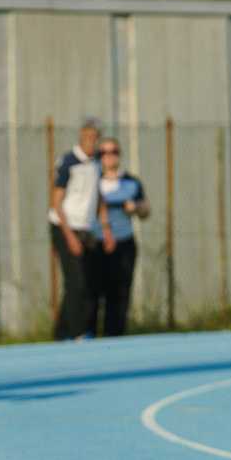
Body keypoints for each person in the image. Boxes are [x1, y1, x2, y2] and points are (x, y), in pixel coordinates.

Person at [49, 119, 102, 340]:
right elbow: (56, 200)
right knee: (76, 281)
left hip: (87, 228)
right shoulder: (69, 162)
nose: (90, 141)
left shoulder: (97, 162)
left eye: (94, 137)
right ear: (81, 137)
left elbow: (99, 197)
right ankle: (78, 332)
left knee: (85, 282)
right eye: (87, 136)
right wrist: (69, 235)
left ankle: (61, 334)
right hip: (65, 226)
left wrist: (104, 229)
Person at [92, 137, 148, 339]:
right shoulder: (93, 181)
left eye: (113, 151)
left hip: (124, 241)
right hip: (96, 242)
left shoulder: (131, 182)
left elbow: (145, 209)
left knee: (120, 289)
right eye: (104, 152)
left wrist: (136, 207)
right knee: (95, 289)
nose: (109, 156)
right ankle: (88, 333)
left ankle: (114, 334)